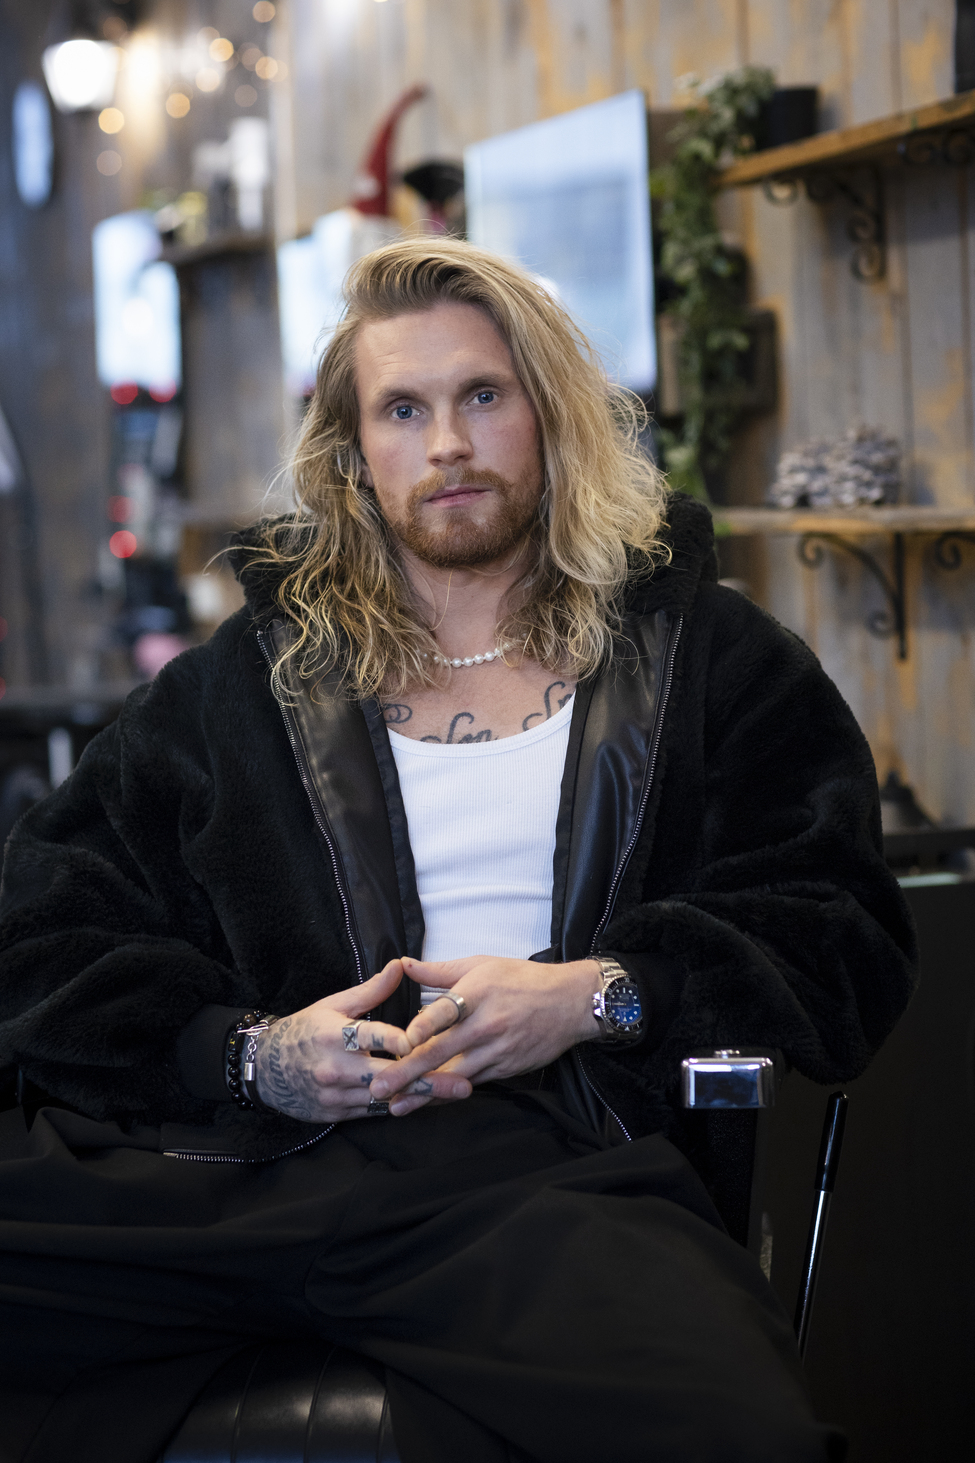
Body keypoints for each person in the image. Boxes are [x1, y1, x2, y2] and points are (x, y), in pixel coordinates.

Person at [0, 238, 915, 1463]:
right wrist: (255, 1054)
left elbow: (842, 931)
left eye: (483, 394)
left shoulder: (712, 661)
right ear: (353, 449)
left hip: (543, 1172)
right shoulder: (244, 687)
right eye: (403, 409)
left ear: (552, 414)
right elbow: (42, 930)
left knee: (739, 1434)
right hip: (259, 1169)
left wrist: (596, 995)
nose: (447, 444)